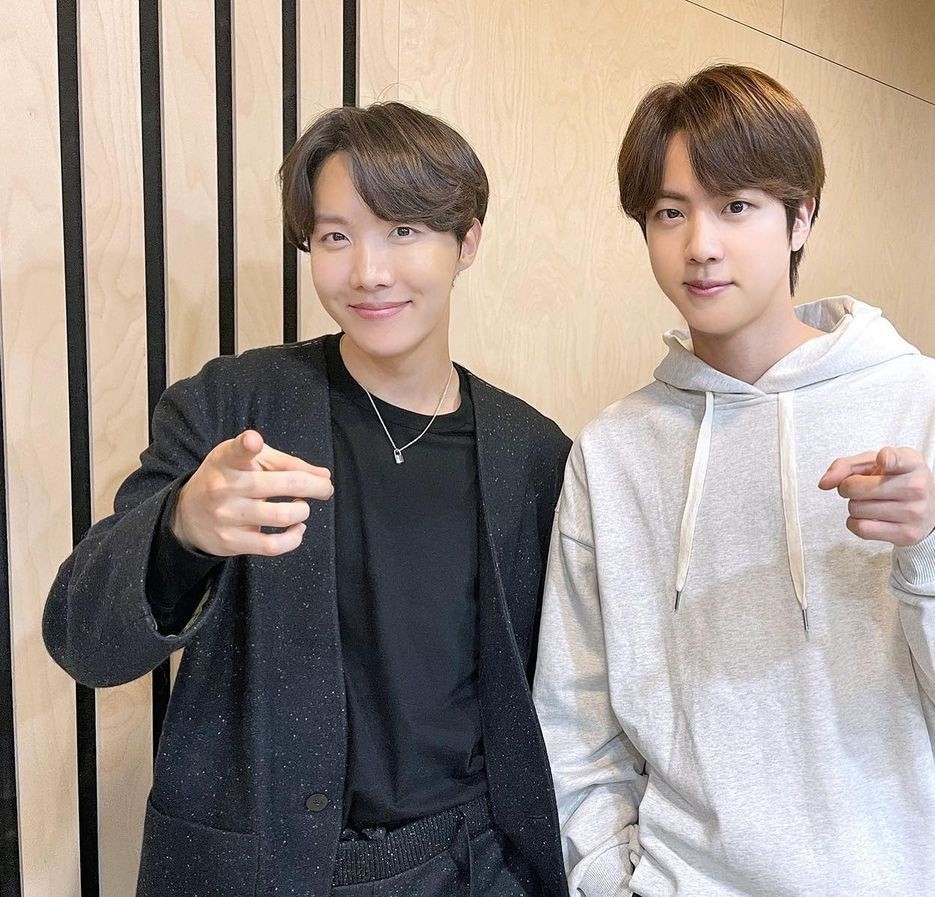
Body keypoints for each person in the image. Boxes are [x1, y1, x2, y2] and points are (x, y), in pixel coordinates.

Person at [533, 64, 935, 897]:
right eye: (670, 212)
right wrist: (603, 874)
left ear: (801, 216)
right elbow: (574, 710)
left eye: (736, 206)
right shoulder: (613, 451)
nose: (701, 245)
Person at [44, 102, 571, 897]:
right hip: (257, 867)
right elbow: (82, 640)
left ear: (467, 242)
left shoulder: (531, 454)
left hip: (467, 865)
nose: (368, 272)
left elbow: (557, 694)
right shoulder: (233, 406)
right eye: (335, 237)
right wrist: (182, 528)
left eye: (403, 230)